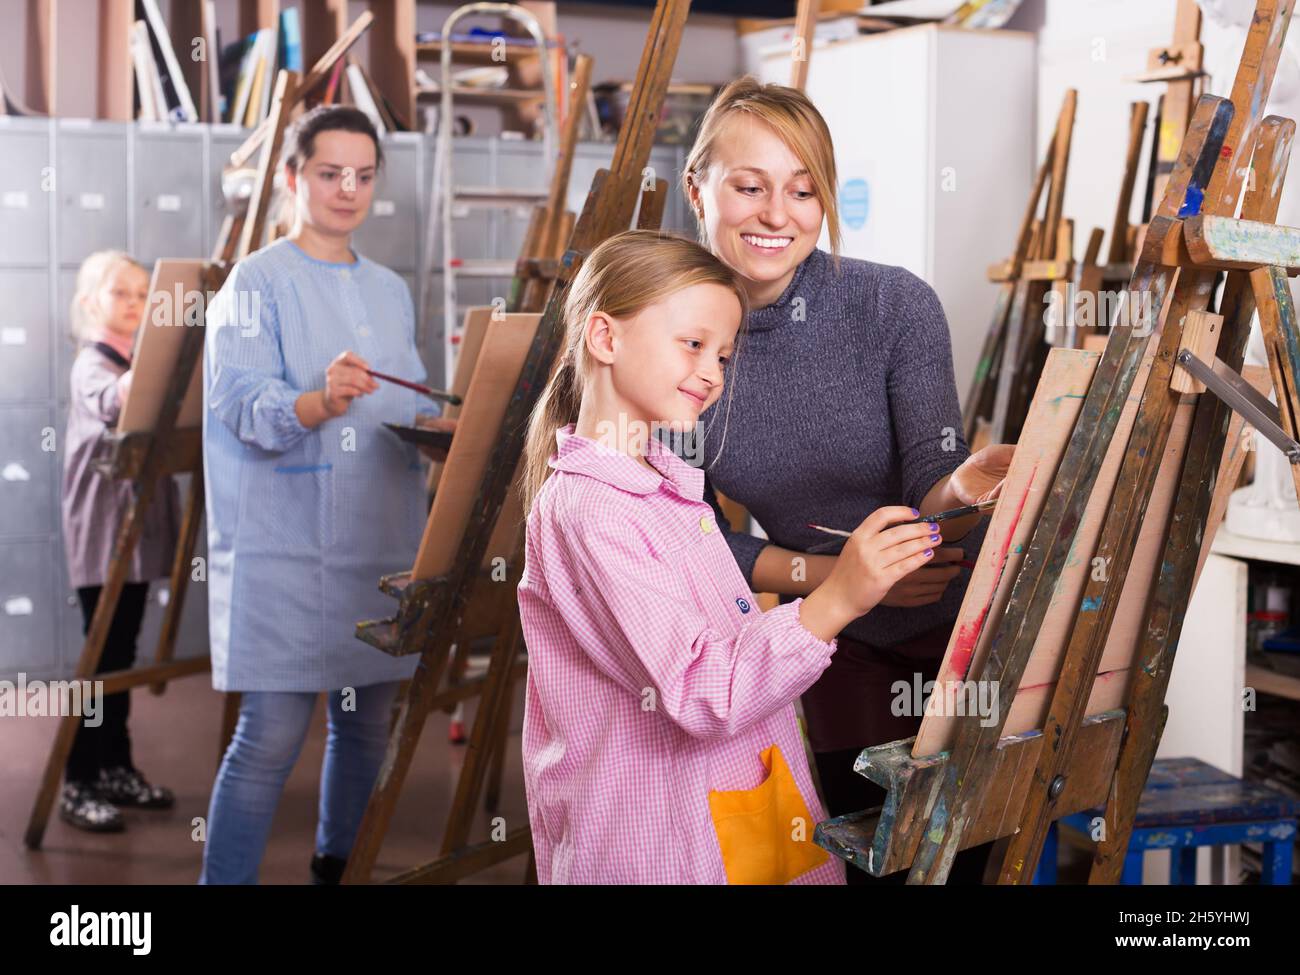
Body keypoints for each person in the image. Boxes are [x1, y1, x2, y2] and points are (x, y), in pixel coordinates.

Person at [516, 230, 944, 884]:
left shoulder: (666, 485)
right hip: (657, 843)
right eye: (692, 344)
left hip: (730, 811)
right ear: (605, 338)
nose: (713, 372)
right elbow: (701, 689)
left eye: (723, 354)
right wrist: (837, 598)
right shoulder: (592, 512)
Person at [681, 77, 1013, 883]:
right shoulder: (678, 332)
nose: (776, 214)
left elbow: (934, 473)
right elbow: (689, 535)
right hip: (835, 640)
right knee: (868, 865)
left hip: (963, 632)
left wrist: (963, 485)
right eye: (750, 186)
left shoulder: (893, 305)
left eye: (803, 190)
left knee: (964, 866)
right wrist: (833, 579)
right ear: (698, 189)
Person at [199, 106, 448, 884]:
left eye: (363, 175)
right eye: (329, 172)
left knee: (365, 720)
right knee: (269, 735)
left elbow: (399, 414)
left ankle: (336, 864)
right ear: (292, 176)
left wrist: (448, 425)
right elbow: (239, 402)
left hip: (375, 537)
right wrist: (319, 400)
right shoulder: (256, 279)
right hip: (284, 543)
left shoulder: (388, 289)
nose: (348, 190)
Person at [60, 249, 180, 832]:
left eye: (142, 295)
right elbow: (113, 404)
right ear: (90, 303)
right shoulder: (93, 364)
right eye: (120, 294)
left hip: (136, 536)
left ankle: (115, 765)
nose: (134, 304)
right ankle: (78, 780)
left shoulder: (131, 358)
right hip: (103, 535)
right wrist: (159, 365)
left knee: (122, 656)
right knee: (99, 659)